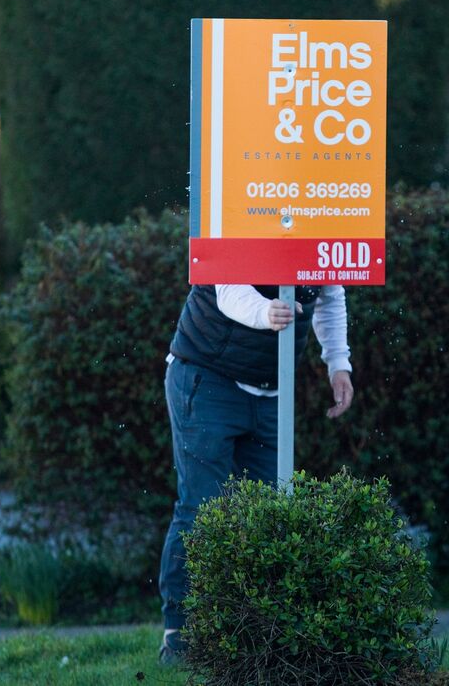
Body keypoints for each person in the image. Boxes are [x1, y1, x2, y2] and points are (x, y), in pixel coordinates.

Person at [157, 283, 354, 664]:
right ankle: (179, 636)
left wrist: (338, 364)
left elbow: (330, 292)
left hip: (271, 390)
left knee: (269, 517)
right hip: (206, 375)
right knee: (202, 510)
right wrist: (265, 312)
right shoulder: (234, 221)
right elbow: (228, 289)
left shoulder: (319, 225)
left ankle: (254, 638)